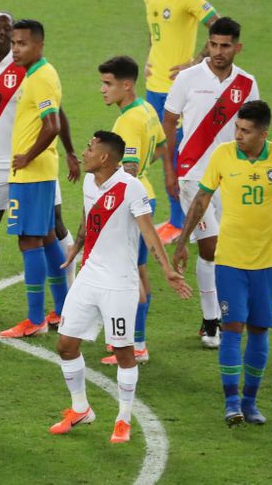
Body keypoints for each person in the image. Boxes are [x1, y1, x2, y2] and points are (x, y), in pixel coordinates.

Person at [52, 131, 190, 443]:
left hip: (119, 283)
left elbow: (149, 232)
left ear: (104, 157)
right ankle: (81, 409)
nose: (83, 153)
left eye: (89, 148)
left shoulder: (131, 188)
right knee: (65, 345)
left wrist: (167, 270)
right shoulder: (90, 181)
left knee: (124, 352)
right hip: (89, 277)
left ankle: (123, 419)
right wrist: (77, 246)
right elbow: (89, 217)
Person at [173, 100, 272, 426]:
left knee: (259, 330)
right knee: (232, 328)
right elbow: (201, 199)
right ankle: (231, 403)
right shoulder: (223, 155)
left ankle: (250, 402)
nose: (238, 135)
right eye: (237, 128)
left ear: (263, 133)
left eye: (245, 131)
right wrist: (184, 239)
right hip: (229, 260)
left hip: (270, 262)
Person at [0, 12, 80, 321]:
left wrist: (71, 152)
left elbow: (56, 114)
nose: (4, 36)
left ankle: (71, 295)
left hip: (33, 163)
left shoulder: (28, 66)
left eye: (10, 33)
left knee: (53, 226)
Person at [163, 17, 259, 348]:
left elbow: (252, 128)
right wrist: (169, 170)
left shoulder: (246, 84)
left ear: (237, 47)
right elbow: (170, 119)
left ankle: (227, 311)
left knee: (229, 248)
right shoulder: (189, 78)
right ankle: (210, 320)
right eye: (214, 45)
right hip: (194, 176)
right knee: (209, 246)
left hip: (232, 177)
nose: (218, 52)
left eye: (225, 46)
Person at [142, 0, 219, 244]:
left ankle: (183, 219)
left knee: (179, 153)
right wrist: (150, 57)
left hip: (181, 89)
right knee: (162, 152)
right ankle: (179, 218)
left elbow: (216, 23)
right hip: (154, 86)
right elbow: (155, 34)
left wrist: (197, 61)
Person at [0, 19, 70, 338]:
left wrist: (27, 156)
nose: (15, 49)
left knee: (29, 239)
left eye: (22, 44)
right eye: (13, 43)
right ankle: (64, 310)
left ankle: (35, 319)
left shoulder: (40, 77)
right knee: (47, 236)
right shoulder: (39, 73)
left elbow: (51, 125)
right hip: (39, 172)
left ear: (39, 45)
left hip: (31, 173)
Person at [95, 56, 166, 366]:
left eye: (108, 84)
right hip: (146, 197)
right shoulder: (147, 109)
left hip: (131, 203)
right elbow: (161, 146)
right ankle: (134, 341)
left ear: (127, 84)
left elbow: (132, 167)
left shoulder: (128, 121)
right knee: (137, 271)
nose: (102, 90)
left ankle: (136, 344)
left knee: (132, 274)